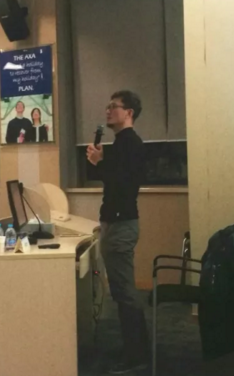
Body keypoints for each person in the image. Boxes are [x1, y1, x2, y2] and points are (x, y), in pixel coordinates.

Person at [86, 90, 149, 374]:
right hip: (116, 222)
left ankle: (136, 355)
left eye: (115, 106)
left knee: (124, 292)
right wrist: (100, 162)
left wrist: (101, 162)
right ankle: (134, 349)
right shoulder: (121, 143)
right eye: (108, 105)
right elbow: (113, 181)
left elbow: (123, 185)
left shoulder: (130, 143)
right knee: (122, 291)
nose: (108, 110)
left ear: (129, 113)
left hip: (121, 224)